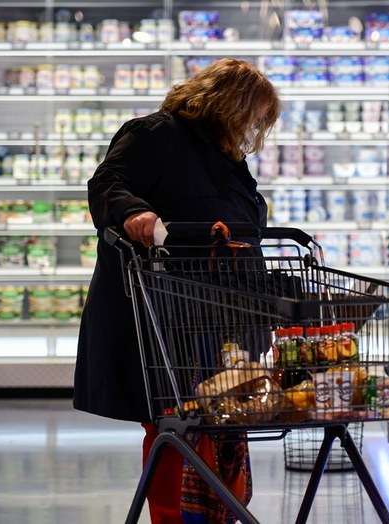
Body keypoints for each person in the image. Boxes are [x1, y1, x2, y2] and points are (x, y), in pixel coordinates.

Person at [74, 58, 281, 524]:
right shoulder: (154, 134)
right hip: (166, 316)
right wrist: (134, 214)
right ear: (229, 103)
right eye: (254, 115)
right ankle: (175, 518)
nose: (255, 128)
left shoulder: (226, 154)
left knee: (221, 417)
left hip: (221, 315)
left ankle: (217, 514)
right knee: (176, 422)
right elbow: (107, 183)